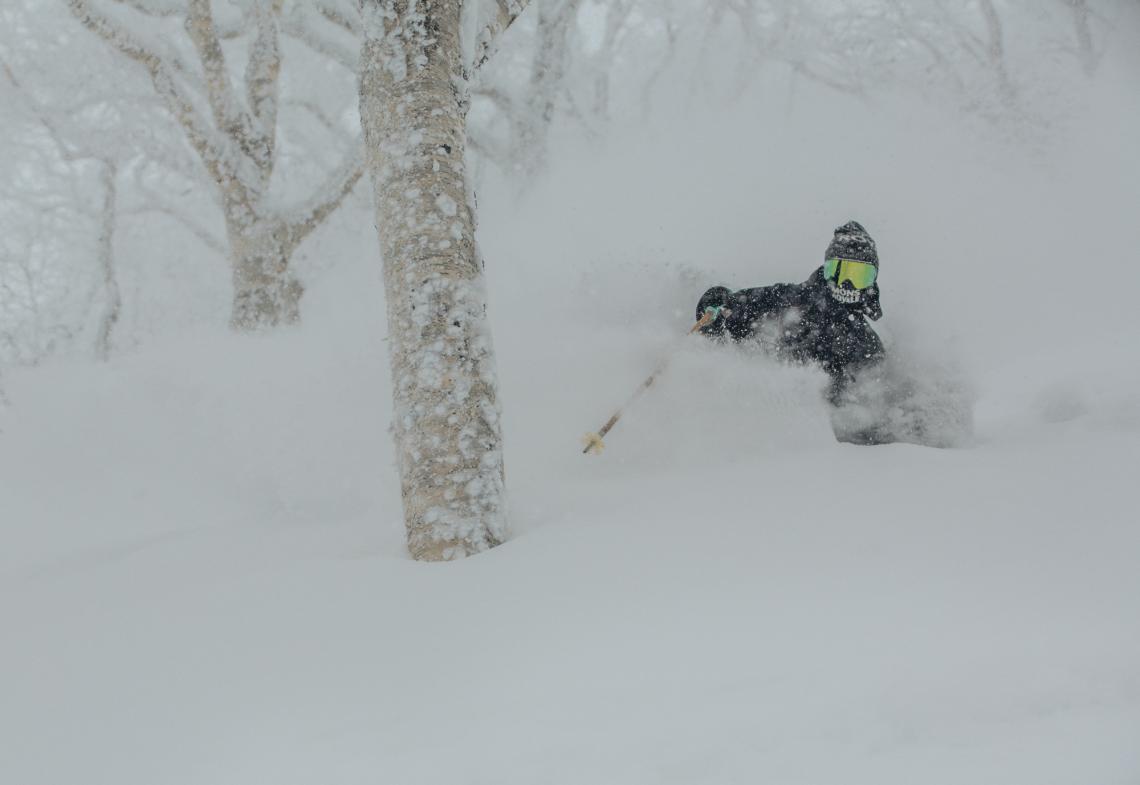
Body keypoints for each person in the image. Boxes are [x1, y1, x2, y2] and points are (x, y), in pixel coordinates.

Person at [695, 220, 888, 443]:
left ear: (871, 282)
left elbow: (870, 411)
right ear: (826, 269)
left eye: (858, 276)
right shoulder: (789, 300)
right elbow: (735, 308)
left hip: (817, 445)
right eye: (839, 271)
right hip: (753, 422)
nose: (846, 284)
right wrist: (717, 307)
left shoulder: (866, 344)